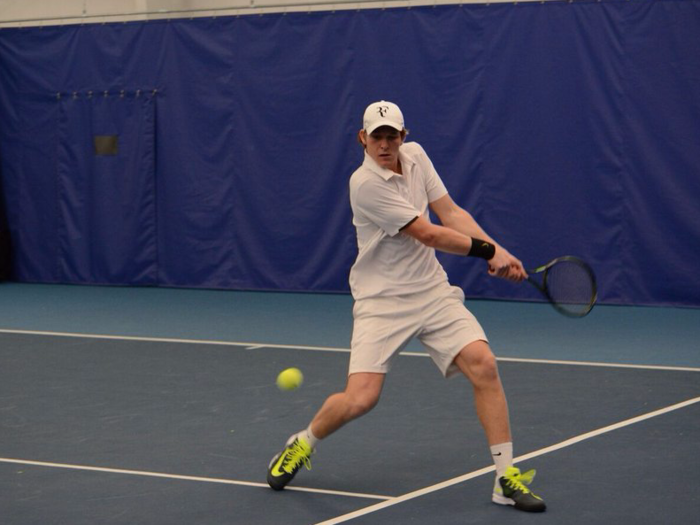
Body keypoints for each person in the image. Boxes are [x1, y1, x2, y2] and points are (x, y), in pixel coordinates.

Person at [267, 101, 546, 513]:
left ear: (404, 136)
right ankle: (302, 442)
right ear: (362, 139)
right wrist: (488, 253)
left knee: (484, 364)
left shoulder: (415, 158)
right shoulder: (364, 183)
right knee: (361, 398)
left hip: (430, 290)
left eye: (391, 136)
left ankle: (505, 477)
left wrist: (497, 249)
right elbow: (428, 234)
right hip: (381, 301)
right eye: (375, 137)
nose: (384, 144)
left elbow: (449, 212)